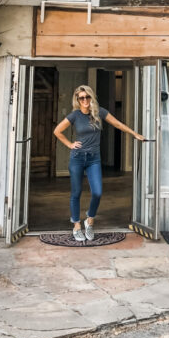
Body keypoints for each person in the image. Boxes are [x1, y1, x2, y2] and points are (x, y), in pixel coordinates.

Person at [53, 84, 145, 242]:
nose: (85, 100)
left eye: (87, 96)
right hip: (77, 158)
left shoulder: (99, 112)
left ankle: (90, 221)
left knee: (97, 192)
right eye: (81, 98)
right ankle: (76, 226)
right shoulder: (74, 115)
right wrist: (69, 144)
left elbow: (117, 123)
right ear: (77, 99)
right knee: (76, 193)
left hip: (94, 159)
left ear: (91, 97)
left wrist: (134, 134)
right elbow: (57, 131)